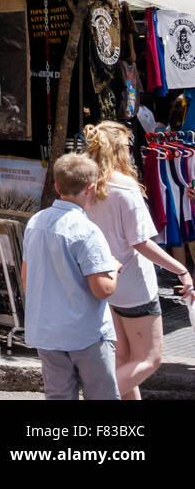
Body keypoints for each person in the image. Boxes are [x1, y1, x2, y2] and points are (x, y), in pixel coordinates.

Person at [83, 121, 195, 398]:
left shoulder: (86, 185)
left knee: (124, 358)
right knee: (150, 358)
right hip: (134, 284)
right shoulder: (125, 188)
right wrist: (182, 269)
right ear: (121, 150)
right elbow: (141, 242)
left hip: (103, 280)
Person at [23, 153, 124, 400]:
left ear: (57, 187)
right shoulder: (87, 231)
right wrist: (113, 268)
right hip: (85, 333)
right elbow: (103, 289)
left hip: (47, 331)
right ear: (91, 188)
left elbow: (27, 277)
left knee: (58, 395)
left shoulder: (36, 222)